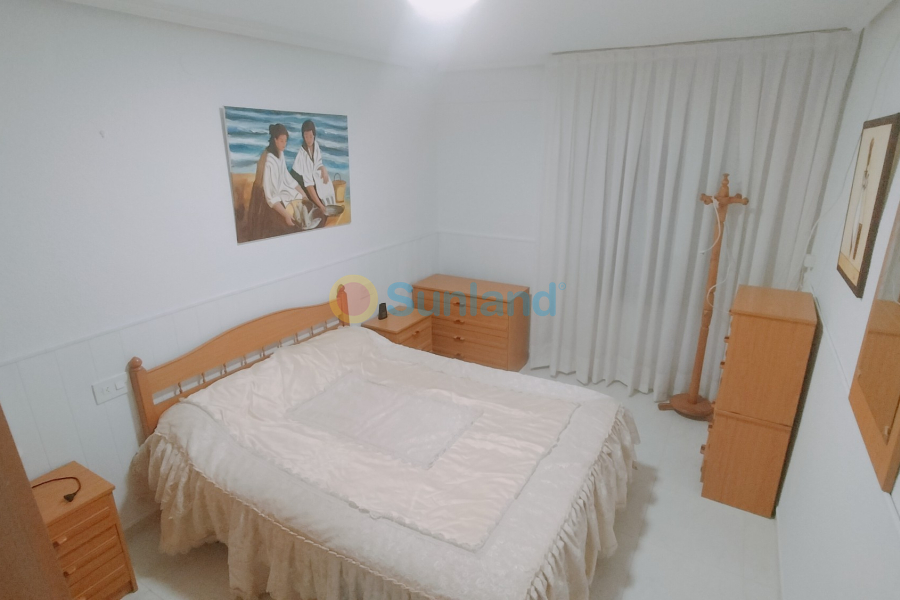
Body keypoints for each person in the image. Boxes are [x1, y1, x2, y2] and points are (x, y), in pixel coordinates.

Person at [244, 124, 327, 240]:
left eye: (285, 141)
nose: (284, 144)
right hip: (269, 201)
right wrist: (286, 215)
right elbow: (270, 196)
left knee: (307, 208)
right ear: (275, 140)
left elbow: (287, 177)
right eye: (282, 141)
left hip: (280, 192)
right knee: (292, 225)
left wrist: (303, 194)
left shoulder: (280, 153)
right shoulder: (269, 161)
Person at [291, 120, 339, 212]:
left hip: (309, 178)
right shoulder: (303, 155)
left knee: (323, 186)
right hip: (298, 180)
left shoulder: (315, 145)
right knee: (316, 207)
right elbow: (309, 185)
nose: (309, 139)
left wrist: (323, 169)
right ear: (303, 137)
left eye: (310, 136)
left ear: (314, 135)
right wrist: (321, 206)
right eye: (306, 136)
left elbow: (317, 164)